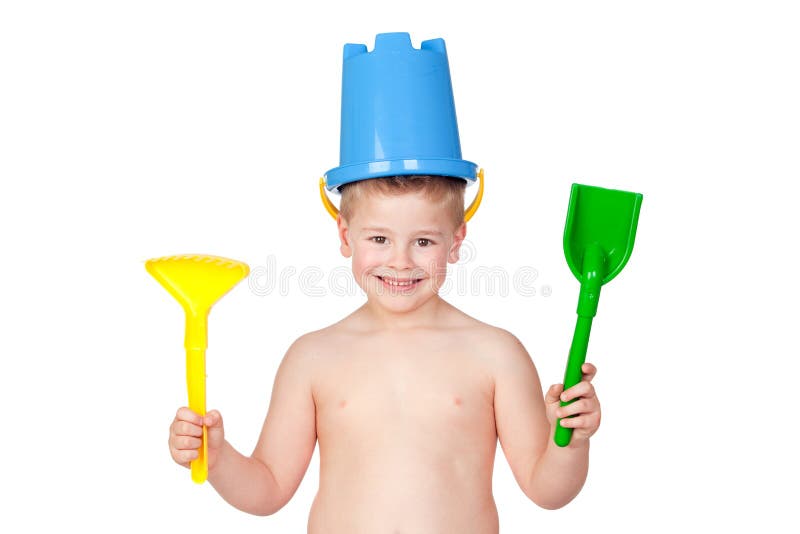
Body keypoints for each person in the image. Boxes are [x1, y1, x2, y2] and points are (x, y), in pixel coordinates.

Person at [168, 33, 601, 533]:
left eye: (423, 242)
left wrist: (572, 437)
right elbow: (267, 489)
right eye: (379, 237)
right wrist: (218, 458)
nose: (400, 262)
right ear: (345, 235)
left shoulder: (495, 353)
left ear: (457, 241)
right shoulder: (312, 357)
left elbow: (548, 490)